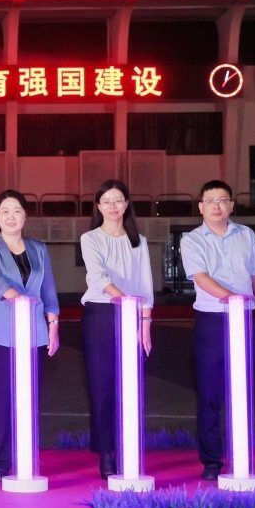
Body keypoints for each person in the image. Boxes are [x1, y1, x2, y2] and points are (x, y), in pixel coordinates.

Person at [180, 180, 255, 480]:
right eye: (210, 201)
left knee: (243, 389)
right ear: (201, 207)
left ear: (232, 205)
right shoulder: (192, 240)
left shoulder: (246, 235)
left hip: (244, 319)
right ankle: (211, 459)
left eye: (222, 200)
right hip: (212, 321)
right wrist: (232, 297)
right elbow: (201, 278)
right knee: (209, 392)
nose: (217, 206)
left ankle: (242, 455)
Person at [0, 190, 61, 481]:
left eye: (17, 211)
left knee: (28, 397)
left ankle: (24, 454)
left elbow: (48, 287)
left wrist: (53, 323)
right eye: (5, 211)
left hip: (34, 332)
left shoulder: (39, 248)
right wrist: (19, 299)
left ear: (25, 216)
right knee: (0, 399)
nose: (11, 216)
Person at [80, 179, 154, 478]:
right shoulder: (90, 238)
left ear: (126, 204)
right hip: (102, 315)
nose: (113, 206)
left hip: (133, 315)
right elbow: (98, 277)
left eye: (118, 200)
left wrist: (145, 323)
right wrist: (125, 301)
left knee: (130, 387)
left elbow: (146, 284)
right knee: (102, 387)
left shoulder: (139, 241)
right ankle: (106, 453)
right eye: (107, 201)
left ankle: (128, 448)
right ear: (98, 206)